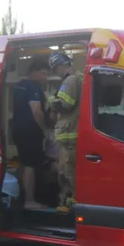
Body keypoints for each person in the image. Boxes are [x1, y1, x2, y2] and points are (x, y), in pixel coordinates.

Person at [11, 57, 50, 210]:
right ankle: (30, 200)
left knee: (24, 162)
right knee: (31, 165)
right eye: (43, 74)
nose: (45, 78)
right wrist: (45, 129)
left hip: (18, 129)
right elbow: (37, 111)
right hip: (30, 131)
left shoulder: (19, 86)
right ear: (33, 72)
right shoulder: (33, 87)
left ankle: (22, 197)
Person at [47, 51, 82, 213]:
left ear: (60, 66)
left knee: (68, 173)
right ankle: (67, 202)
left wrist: (50, 100)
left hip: (69, 135)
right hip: (73, 133)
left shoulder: (70, 80)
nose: (56, 72)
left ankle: (70, 204)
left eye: (55, 69)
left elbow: (65, 105)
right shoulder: (78, 77)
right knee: (68, 171)